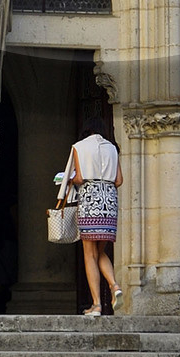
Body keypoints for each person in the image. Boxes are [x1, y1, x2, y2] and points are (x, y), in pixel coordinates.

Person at [59, 127, 121, 316]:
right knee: (99, 251)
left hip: (90, 200)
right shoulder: (112, 147)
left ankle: (96, 305)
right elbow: (118, 180)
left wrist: (68, 180)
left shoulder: (79, 146)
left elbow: (78, 177)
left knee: (89, 254)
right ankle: (114, 285)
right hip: (109, 201)